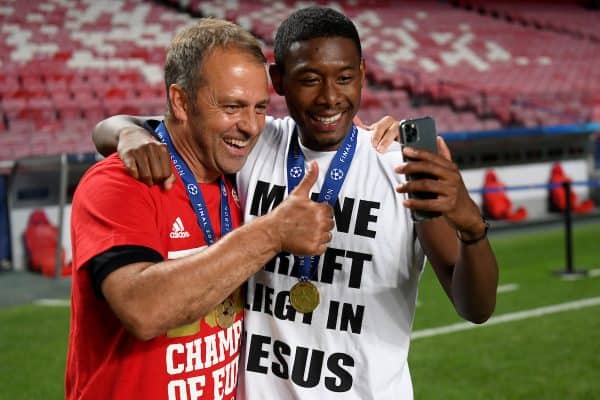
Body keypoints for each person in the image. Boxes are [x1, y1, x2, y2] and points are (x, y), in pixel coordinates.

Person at [93, 7, 499, 399]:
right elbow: (150, 127)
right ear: (279, 80)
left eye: (344, 78)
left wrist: (471, 226)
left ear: (362, 76)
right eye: (309, 80)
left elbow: (476, 307)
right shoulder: (251, 142)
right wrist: (130, 134)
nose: (329, 97)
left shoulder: (399, 166)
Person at [66, 18, 336, 400]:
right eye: (231, 106)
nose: (250, 126)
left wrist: (372, 131)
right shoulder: (120, 182)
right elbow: (142, 309)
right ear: (181, 101)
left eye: (260, 108)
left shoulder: (235, 175)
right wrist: (272, 233)